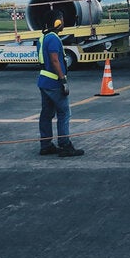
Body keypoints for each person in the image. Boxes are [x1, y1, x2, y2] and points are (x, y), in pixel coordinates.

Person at [37, 11, 84, 157]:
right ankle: (65, 145)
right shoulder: (54, 39)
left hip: (44, 80)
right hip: (54, 82)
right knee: (64, 113)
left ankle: (46, 145)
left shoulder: (43, 37)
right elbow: (54, 60)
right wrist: (63, 79)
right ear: (57, 22)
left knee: (47, 114)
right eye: (62, 20)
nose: (63, 22)